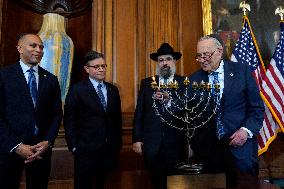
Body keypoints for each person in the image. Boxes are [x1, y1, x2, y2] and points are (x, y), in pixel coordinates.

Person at [189, 34, 264, 187]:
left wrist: (245, 131)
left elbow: (256, 108)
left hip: (240, 148)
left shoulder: (242, 71)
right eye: (199, 56)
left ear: (219, 51)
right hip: (207, 152)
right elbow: (190, 115)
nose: (202, 60)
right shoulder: (193, 80)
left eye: (206, 55)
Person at [0, 33, 62, 189]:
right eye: (33, 45)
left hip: (40, 151)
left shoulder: (51, 79)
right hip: (10, 149)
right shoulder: (3, 75)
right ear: (19, 48)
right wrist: (17, 146)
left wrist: (48, 141)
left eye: (41, 47)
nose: (39, 50)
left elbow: (56, 114)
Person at [64, 50, 122, 189]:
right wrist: (74, 146)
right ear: (87, 69)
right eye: (96, 67)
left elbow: (117, 119)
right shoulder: (77, 90)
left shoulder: (113, 90)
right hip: (85, 150)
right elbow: (69, 120)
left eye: (103, 66)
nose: (101, 69)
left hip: (109, 150)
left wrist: (117, 143)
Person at [132, 43, 185, 189]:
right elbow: (140, 112)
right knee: (155, 183)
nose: (164, 63)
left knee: (176, 184)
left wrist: (170, 102)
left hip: (176, 144)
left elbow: (187, 111)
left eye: (168, 59)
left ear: (174, 61)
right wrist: (137, 139)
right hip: (152, 145)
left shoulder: (184, 83)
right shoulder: (147, 83)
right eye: (161, 60)